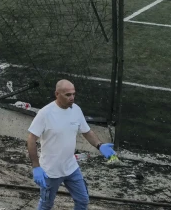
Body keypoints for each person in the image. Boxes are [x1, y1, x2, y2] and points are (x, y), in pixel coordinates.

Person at [27, 80, 116, 210]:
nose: (72, 98)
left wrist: (100, 145)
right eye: (68, 95)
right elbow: (31, 139)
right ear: (57, 94)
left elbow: (86, 131)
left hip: (71, 167)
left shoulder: (76, 110)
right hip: (51, 171)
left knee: (83, 200)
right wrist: (36, 167)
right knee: (46, 204)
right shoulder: (45, 113)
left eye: (73, 94)